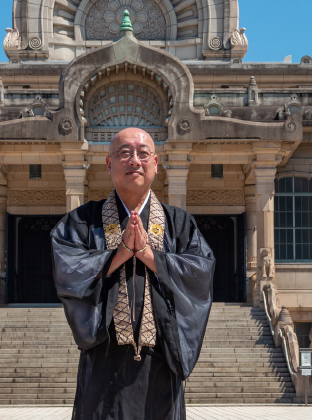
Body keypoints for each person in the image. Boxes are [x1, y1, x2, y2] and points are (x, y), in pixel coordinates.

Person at [51, 127, 215, 420]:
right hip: (103, 365)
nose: (134, 161)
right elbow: (68, 268)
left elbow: (200, 272)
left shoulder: (179, 224)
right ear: (109, 164)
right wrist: (119, 254)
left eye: (142, 154)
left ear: (155, 163)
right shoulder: (83, 221)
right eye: (124, 153)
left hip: (160, 367)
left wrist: (151, 257)